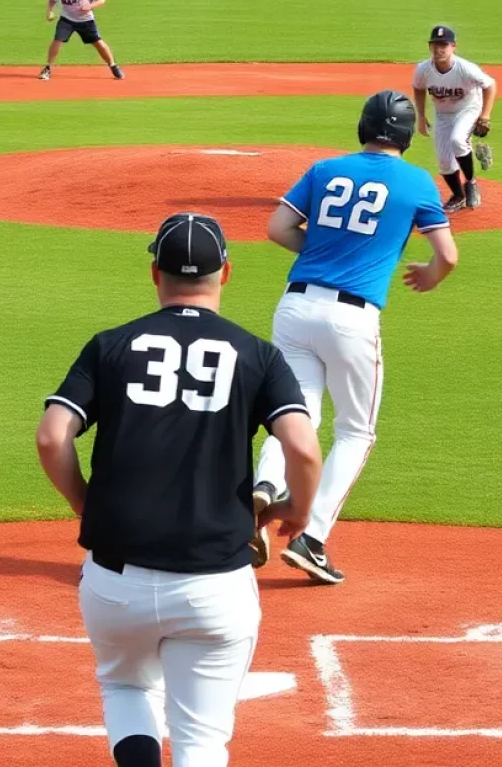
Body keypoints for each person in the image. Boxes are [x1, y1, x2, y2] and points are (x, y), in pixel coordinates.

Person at [37, 212, 322, 767]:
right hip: (215, 586)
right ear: (226, 273)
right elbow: (304, 449)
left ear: (155, 274)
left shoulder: (111, 345)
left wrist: (83, 501)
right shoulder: (258, 355)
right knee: (201, 741)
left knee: (126, 690)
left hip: (115, 583)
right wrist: (297, 510)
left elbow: (53, 437)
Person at [249, 91, 459, 585]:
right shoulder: (416, 181)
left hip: (295, 305)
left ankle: (265, 484)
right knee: (355, 431)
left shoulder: (324, 169)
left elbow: (278, 228)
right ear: (407, 136)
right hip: (352, 318)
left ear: (362, 127)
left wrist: (322, 249)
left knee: (293, 412)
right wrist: (430, 274)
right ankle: (311, 538)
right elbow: (446, 255)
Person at [412, 25, 498, 212]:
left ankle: (471, 183)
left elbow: (490, 85)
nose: (439, 49)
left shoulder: (465, 68)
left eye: (444, 45)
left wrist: (485, 116)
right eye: (435, 45)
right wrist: (421, 116)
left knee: (458, 140)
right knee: (444, 162)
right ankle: (458, 196)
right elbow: (418, 88)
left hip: (468, 108)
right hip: (443, 113)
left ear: (453, 47)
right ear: (429, 47)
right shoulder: (423, 69)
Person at [39, 0, 124, 81]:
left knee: (98, 42)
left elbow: (101, 0)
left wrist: (90, 6)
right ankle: (48, 68)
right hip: (67, 19)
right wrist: (50, 10)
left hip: (86, 20)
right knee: (57, 40)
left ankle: (113, 66)